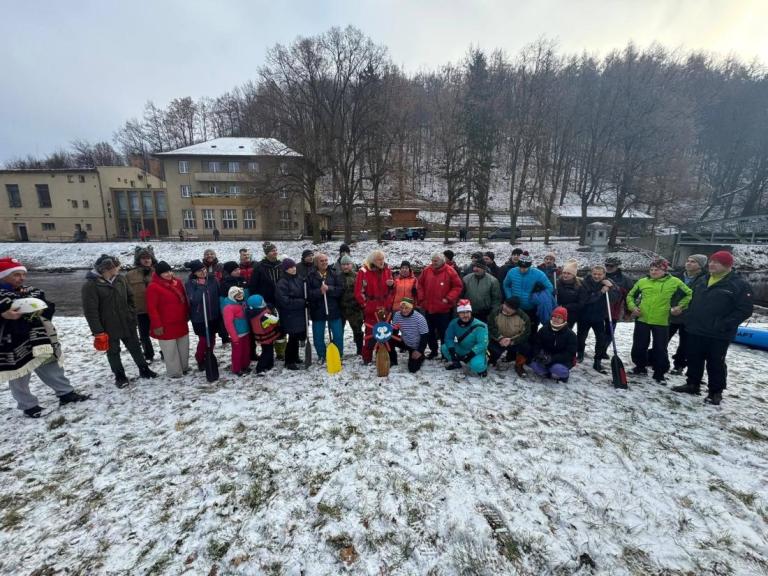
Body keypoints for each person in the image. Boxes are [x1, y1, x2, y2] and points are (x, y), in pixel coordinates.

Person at [0, 257, 89, 418]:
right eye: (16, 275)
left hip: (39, 338)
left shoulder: (32, 291)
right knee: (19, 374)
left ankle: (65, 393)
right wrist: (4, 315)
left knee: (51, 365)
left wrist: (43, 309)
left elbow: (48, 306)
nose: (21, 278)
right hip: (12, 342)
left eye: (22, 274)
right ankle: (28, 405)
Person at [672, 251, 753, 404]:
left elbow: (744, 310)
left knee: (715, 362)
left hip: (719, 333)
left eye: (718, 262)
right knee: (694, 357)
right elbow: (692, 300)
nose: (712, 265)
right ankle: (692, 384)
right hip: (696, 328)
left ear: (728, 266)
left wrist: (723, 324)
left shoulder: (739, 285)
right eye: (711, 261)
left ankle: (715, 391)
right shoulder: (703, 280)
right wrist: (687, 316)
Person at [82, 254, 158, 387]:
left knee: (135, 347)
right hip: (107, 326)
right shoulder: (91, 286)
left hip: (127, 321)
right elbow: (90, 311)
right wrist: (98, 331)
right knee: (113, 351)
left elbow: (130, 298)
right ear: (107, 269)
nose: (119, 268)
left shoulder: (120, 279)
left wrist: (132, 314)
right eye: (116, 267)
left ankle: (144, 369)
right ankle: (120, 376)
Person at [626, 259, 692, 384]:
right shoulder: (642, 281)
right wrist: (633, 307)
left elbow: (689, 294)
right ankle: (640, 367)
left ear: (664, 270)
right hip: (642, 318)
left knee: (660, 348)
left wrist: (679, 306)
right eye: (651, 269)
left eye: (657, 269)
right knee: (639, 345)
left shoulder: (675, 282)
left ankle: (659, 373)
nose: (653, 272)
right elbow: (630, 296)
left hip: (662, 321)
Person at [145, 261, 190, 378]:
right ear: (159, 274)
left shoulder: (178, 282)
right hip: (165, 324)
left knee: (183, 347)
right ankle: (175, 372)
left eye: (170, 271)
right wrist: (157, 325)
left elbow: (184, 300)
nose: (169, 274)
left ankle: (184, 367)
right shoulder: (153, 287)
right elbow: (152, 308)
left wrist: (187, 314)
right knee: (170, 350)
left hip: (180, 321)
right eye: (165, 272)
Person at [417, 252, 463, 359]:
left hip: (444, 309)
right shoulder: (426, 270)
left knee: (444, 333)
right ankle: (433, 351)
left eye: (436, 260)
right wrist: (422, 298)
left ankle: (444, 353)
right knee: (429, 332)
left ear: (442, 261)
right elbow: (419, 284)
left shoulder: (450, 271)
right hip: (428, 307)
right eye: (432, 260)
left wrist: (448, 298)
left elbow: (458, 286)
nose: (434, 262)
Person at [668, 254, 707, 374]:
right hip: (672, 314)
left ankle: (679, 365)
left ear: (700, 266)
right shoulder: (677, 276)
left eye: (693, 262)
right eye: (688, 260)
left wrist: (685, 308)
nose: (688, 263)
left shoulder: (705, 279)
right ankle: (656, 359)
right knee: (662, 339)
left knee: (685, 344)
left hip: (690, 317)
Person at [355, 250, 395, 364]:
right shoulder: (363, 271)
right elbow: (358, 292)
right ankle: (367, 358)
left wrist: (392, 285)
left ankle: (381, 356)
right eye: (379, 259)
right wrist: (366, 305)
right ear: (373, 260)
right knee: (370, 334)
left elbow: (392, 290)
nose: (382, 261)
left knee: (385, 333)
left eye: (383, 259)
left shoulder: (387, 269)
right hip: (371, 308)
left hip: (385, 307)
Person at [503, 252, 553, 342]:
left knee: (531, 332)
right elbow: (506, 285)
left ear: (530, 266)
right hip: (516, 308)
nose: (522, 270)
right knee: (515, 331)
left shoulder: (538, 274)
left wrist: (538, 295)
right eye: (521, 267)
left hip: (532, 309)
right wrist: (510, 298)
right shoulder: (512, 272)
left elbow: (550, 288)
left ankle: (530, 353)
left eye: (525, 267)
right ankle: (515, 353)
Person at [577, 265, 618, 373]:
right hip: (584, 316)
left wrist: (611, 287)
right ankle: (580, 353)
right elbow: (587, 299)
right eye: (595, 274)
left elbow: (615, 298)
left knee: (600, 339)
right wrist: (601, 292)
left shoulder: (608, 283)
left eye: (599, 274)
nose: (597, 276)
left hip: (599, 317)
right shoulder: (584, 283)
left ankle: (597, 360)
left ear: (604, 274)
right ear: (591, 273)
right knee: (581, 337)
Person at [184, 259, 220, 372]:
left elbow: (218, 294)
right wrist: (200, 286)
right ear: (194, 273)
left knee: (212, 338)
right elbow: (194, 299)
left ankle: (209, 356)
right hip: (199, 317)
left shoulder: (213, 280)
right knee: (204, 340)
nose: (203, 272)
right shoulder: (190, 283)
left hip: (213, 315)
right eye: (199, 271)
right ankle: (199, 358)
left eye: (203, 269)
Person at [308, 253, 345, 361]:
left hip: (333, 309)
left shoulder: (334, 274)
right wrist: (319, 291)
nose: (324, 262)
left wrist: (329, 288)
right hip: (318, 310)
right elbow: (308, 294)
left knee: (338, 334)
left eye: (325, 260)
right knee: (318, 336)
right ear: (316, 263)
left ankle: (338, 354)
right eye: (321, 261)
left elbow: (340, 290)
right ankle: (322, 355)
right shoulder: (311, 276)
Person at [125, 246, 157, 362]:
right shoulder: (130, 275)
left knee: (163, 332)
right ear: (138, 260)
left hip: (158, 309)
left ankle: (165, 352)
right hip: (140, 310)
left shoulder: (159, 272)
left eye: (148, 257)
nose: (146, 260)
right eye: (143, 258)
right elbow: (126, 294)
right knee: (144, 335)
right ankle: (149, 354)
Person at [530, 307, 577, 383]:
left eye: (559, 317)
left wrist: (552, 359)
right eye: (554, 316)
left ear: (564, 320)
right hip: (545, 357)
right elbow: (537, 344)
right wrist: (538, 355)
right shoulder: (544, 329)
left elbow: (569, 353)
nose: (556, 319)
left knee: (557, 369)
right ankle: (547, 373)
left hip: (561, 360)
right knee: (533, 365)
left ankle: (563, 375)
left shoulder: (571, 335)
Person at [442, 299, 489, 376]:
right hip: (462, 348)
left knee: (477, 366)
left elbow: (482, 344)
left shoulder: (480, 326)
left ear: (471, 312)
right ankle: (457, 362)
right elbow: (448, 338)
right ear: (458, 313)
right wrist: (452, 352)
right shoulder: (454, 323)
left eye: (467, 312)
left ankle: (482, 366)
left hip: (475, 351)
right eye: (462, 313)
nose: (465, 315)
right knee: (444, 348)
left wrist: (469, 356)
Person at [275, 258, 307, 370]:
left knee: (297, 337)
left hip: (299, 313)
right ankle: (289, 360)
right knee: (292, 338)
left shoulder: (298, 278)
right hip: (289, 314)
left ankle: (295, 356)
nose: (293, 269)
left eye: (294, 266)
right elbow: (285, 301)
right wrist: (302, 302)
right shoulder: (282, 282)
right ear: (285, 270)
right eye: (290, 268)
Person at [487, 297, 531, 376]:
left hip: (514, 340)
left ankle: (519, 365)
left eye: (510, 308)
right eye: (506, 306)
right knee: (492, 347)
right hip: (499, 339)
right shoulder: (495, 312)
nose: (506, 309)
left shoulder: (524, 317)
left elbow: (525, 333)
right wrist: (500, 338)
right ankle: (492, 360)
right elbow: (491, 327)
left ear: (515, 310)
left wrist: (512, 340)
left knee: (526, 347)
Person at [391, 297, 429, 373]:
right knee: (388, 339)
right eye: (402, 308)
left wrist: (419, 350)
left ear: (411, 308)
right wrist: (390, 340)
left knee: (412, 369)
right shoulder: (397, 315)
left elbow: (425, 336)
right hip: (404, 341)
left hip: (416, 345)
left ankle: (421, 356)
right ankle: (393, 360)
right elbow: (394, 330)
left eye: (406, 308)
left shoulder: (419, 318)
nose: (404, 310)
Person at [247, 295, 281, 375]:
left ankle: (269, 364)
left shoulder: (253, 312)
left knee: (268, 350)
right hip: (266, 337)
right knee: (267, 352)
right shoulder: (264, 315)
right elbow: (275, 320)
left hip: (261, 336)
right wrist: (274, 310)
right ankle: (260, 368)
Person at [462, 260, 502, 325]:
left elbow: (496, 300)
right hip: (468, 312)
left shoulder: (493, 281)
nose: (475, 269)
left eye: (478, 267)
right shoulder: (466, 279)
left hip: (485, 314)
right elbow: (461, 296)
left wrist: (492, 315)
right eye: (474, 267)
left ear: (484, 268)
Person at [338, 255, 364, 355]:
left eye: (347, 264)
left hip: (355, 309)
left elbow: (362, 291)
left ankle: (360, 350)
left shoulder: (357, 276)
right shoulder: (337, 277)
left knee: (357, 330)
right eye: (343, 264)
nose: (345, 267)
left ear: (351, 265)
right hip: (341, 309)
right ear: (341, 266)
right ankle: (339, 350)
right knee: (339, 331)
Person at [222, 286, 250, 375]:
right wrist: (234, 337)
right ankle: (237, 369)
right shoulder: (228, 308)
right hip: (237, 335)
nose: (240, 297)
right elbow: (228, 324)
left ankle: (245, 365)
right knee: (237, 353)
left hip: (246, 332)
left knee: (246, 350)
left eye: (241, 295)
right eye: (238, 296)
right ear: (232, 297)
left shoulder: (242, 304)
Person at [249, 242, 282, 307]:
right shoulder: (259, 267)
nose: (275, 252)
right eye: (272, 251)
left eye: (276, 250)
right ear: (267, 253)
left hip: (280, 298)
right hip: (266, 300)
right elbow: (253, 285)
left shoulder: (281, 265)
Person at [604, 256, 634, 328]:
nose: (608, 267)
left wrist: (628, 312)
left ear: (617, 266)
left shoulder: (625, 280)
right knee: (600, 336)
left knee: (608, 335)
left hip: (613, 312)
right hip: (598, 312)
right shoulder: (600, 276)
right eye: (606, 265)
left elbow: (629, 297)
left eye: (611, 265)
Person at [556, 259, 582, 329]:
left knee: (566, 331)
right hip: (558, 313)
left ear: (574, 275)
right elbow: (554, 298)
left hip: (571, 314)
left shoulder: (579, 285)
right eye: (564, 273)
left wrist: (565, 306)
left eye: (568, 273)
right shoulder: (557, 283)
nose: (565, 275)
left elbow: (581, 302)